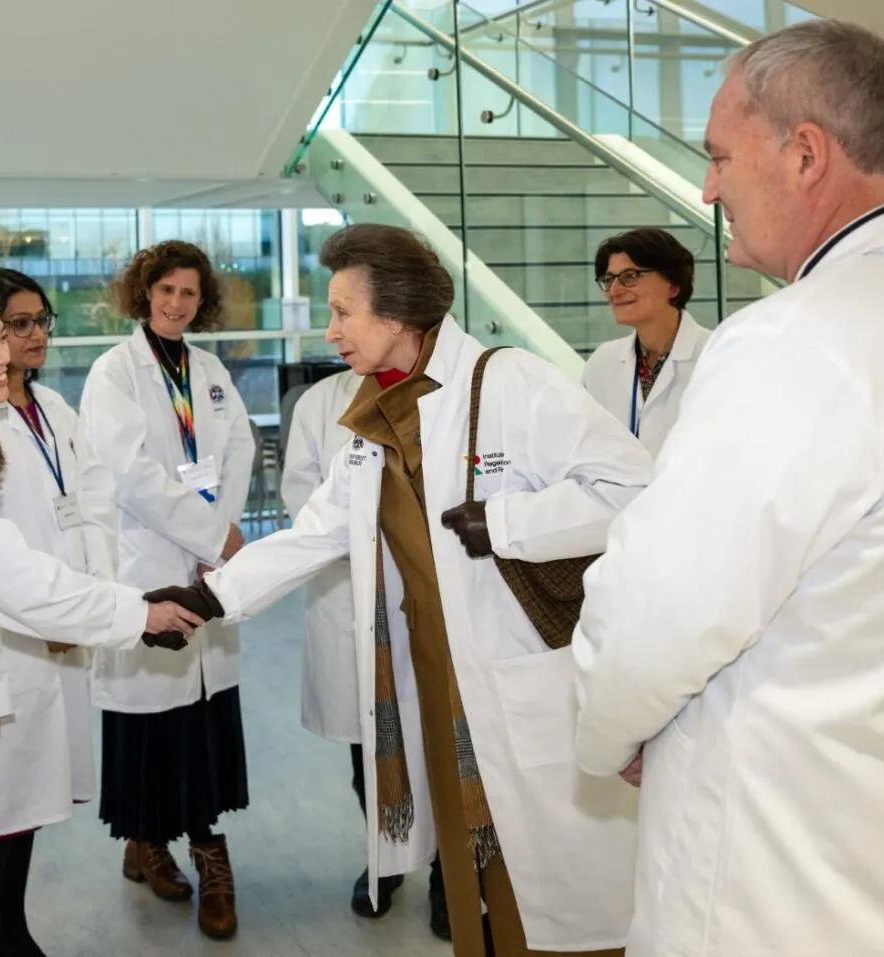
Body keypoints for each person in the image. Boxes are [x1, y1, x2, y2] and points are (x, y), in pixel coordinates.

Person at [572, 20, 884, 957]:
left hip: (784, 887)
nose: (707, 189)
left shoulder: (799, 338)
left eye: (717, 158)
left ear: (803, 154)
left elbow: (657, 614)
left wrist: (605, 729)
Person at [150, 223, 653, 956]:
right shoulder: (375, 414)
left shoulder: (508, 382)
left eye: (342, 311)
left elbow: (633, 487)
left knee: (552, 881)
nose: (331, 330)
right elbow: (319, 528)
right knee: (467, 859)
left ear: (397, 314)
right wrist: (210, 598)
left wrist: (507, 520)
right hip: (434, 684)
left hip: (514, 676)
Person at [0, 279, 202, 957]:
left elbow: (81, 512)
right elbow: (11, 575)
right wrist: (135, 612)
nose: (10, 352)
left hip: (3, 659)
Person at [78, 240, 256, 940]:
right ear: (143, 292)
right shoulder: (112, 373)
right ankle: (146, 840)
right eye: (165, 290)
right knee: (152, 721)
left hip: (208, 562)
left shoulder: (208, 369)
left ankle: (209, 850)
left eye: (188, 293)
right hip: (152, 562)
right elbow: (131, 474)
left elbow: (237, 447)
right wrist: (212, 539)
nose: (176, 303)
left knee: (203, 714)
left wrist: (223, 533)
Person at [0, 267, 119, 953]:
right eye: (17, 324)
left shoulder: (56, 409)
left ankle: (9, 928)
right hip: (17, 639)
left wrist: (91, 598)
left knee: (29, 801)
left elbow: (95, 507)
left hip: (63, 626)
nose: (35, 336)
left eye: (41, 320)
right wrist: (56, 614)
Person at [282, 369, 451, 937]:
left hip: (430, 586)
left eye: (346, 314)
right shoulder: (318, 402)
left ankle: (447, 870)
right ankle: (388, 858)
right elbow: (300, 491)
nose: (336, 332)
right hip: (350, 587)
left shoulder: (440, 388)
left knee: (437, 735)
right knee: (369, 744)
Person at [580, 228, 711, 456]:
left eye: (630, 276)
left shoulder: (715, 355)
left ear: (673, 285)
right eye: (608, 279)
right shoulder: (603, 361)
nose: (614, 291)